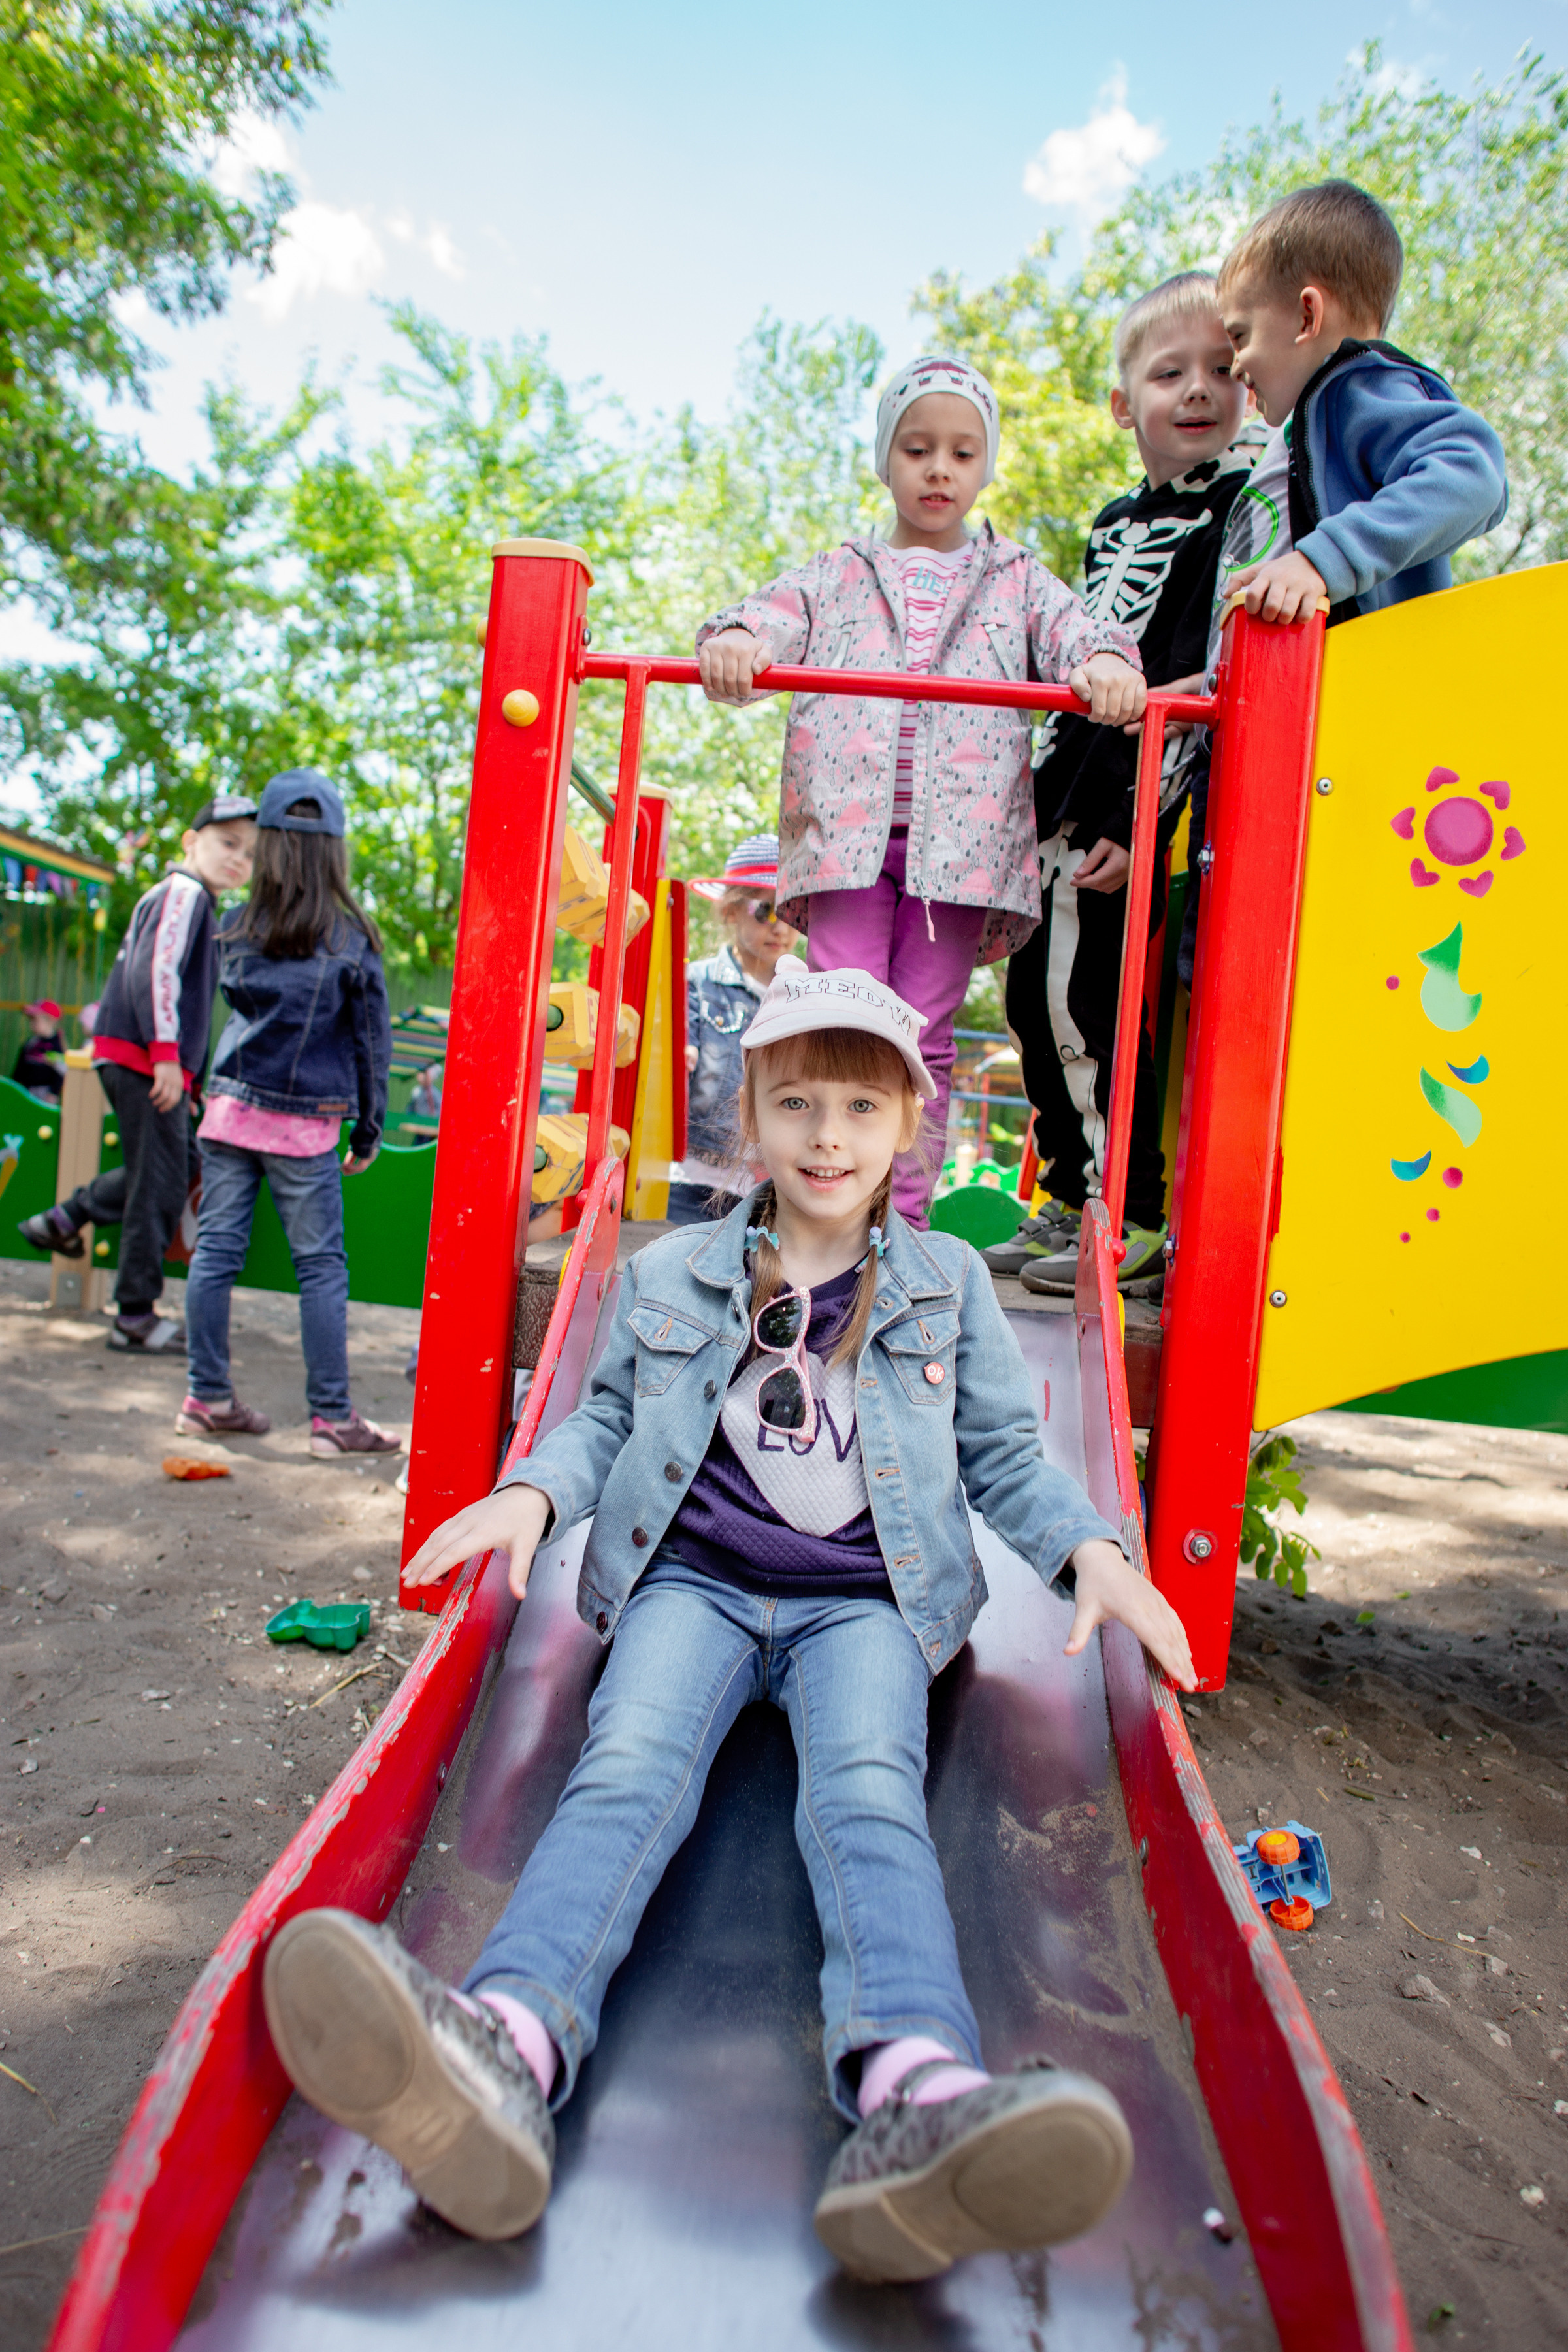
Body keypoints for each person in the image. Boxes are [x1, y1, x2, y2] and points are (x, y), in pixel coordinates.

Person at [262, 962, 1195, 2281]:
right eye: (797, 1103)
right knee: (626, 1771)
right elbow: (602, 1418)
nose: (828, 1137)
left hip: (864, 1603)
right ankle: (504, 2046)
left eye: (861, 1109)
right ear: (749, 1114)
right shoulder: (675, 1273)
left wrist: (1093, 1552)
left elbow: (1002, 1455)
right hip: (690, 1584)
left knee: (868, 1794)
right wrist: (531, 1498)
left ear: (908, 1125)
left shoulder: (946, 1286)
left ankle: (917, 2094)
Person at [696, 354, 1145, 1229]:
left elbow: (1079, 630)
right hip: (846, 839)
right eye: (917, 449)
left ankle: (899, 1224)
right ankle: (825, 1210)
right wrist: (741, 637)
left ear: (985, 466)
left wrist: (1102, 662)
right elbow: (765, 615)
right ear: (885, 460)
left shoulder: (1013, 576)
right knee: (840, 1020)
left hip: (962, 850)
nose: (939, 470)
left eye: (962, 453)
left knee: (922, 1033)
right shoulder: (840, 571)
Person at [987, 275, 1259, 1295]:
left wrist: (1137, 818)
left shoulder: (1241, 507)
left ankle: (1126, 1211)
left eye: (1223, 370)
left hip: (1131, 807)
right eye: (1169, 373)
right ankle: (1070, 1193)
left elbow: (1195, 675)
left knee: (1087, 1004)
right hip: (1062, 795)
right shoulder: (1111, 523)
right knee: (1032, 999)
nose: (1199, 390)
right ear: (1121, 404)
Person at [175, 769, 400, 1458]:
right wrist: (368, 1129)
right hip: (304, 1128)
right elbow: (371, 1045)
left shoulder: (235, 925)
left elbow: (204, 1010)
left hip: (229, 1112)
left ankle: (206, 1398)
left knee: (215, 1254)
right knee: (321, 1268)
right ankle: (331, 1420)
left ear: (267, 845)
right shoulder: (351, 938)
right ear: (334, 851)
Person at [14, 795, 258, 1350]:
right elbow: (157, 972)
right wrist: (166, 1056)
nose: (238, 859)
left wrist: (186, 1077)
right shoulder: (183, 893)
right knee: (161, 1184)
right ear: (191, 843)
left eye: (248, 853)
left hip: (151, 1061)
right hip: (143, 1058)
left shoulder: (195, 901)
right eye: (227, 844)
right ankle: (134, 1315)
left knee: (175, 1167)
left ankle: (64, 1219)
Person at [669, 832, 801, 1225]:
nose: (781, 927)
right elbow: (678, 1057)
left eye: (793, 912)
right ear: (730, 911)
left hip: (769, 1191)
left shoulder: (803, 997)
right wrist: (682, 1056)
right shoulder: (696, 983)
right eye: (766, 911)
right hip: (693, 1181)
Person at [12, 999, 65, 1099]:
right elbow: (20, 1068)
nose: (32, 1024)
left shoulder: (57, 1045)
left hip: (44, 1093)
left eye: (35, 1020)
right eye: (31, 1020)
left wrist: (54, 1093)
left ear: (50, 1021)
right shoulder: (31, 1043)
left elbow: (60, 1073)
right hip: (25, 1090)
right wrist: (14, 1086)